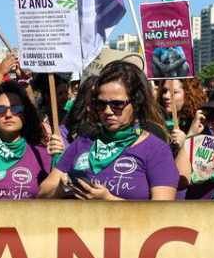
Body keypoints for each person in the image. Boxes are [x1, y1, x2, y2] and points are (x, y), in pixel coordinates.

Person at [39, 61, 177, 200]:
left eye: (117, 104)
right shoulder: (83, 142)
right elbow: (42, 193)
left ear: (136, 103)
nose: (107, 111)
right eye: (101, 104)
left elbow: (162, 212)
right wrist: (62, 189)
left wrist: (108, 200)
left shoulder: (156, 150)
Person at [157, 78, 206, 154]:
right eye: (164, 91)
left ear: (188, 94)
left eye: (174, 92)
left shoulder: (199, 123)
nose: (166, 96)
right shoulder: (158, 120)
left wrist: (186, 141)